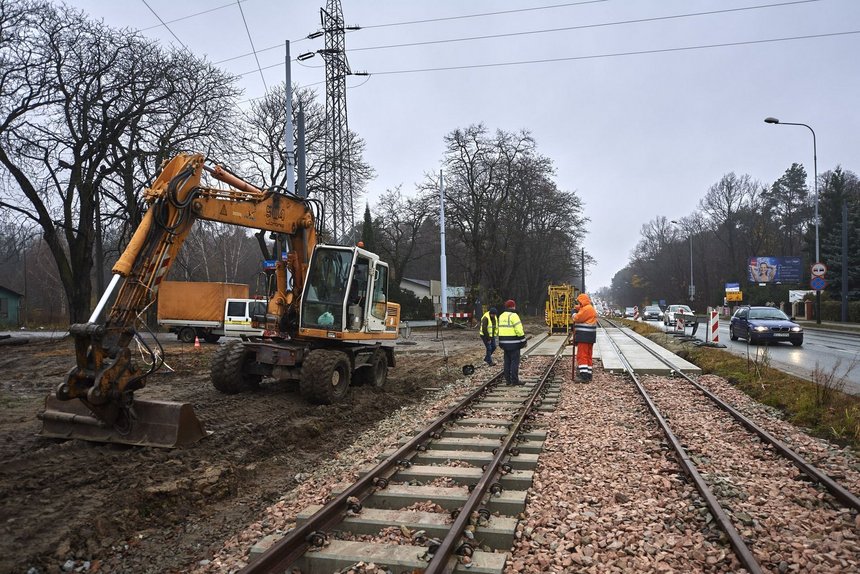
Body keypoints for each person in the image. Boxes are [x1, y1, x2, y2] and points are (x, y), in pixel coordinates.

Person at [498, 299, 526, 385]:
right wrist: (523, 341)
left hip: (504, 343)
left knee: (507, 362)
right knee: (514, 362)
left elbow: (498, 329)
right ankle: (514, 380)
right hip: (514, 343)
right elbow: (519, 330)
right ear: (513, 306)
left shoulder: (501, 316)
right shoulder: (514, 316)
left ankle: (508, 381)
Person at [572, 293, 598, 382]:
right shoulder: (589, 308)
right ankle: (588, 374)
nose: (579, 303)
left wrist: (573, 313)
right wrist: (576, 307)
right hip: (590, 336)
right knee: (588, 355)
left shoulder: (587, 309)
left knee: (582, 355)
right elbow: (581, 309)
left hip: (584, 336)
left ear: (582, 301)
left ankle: (583, 376)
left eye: (579, 302)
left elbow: (577, 318)